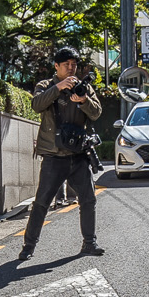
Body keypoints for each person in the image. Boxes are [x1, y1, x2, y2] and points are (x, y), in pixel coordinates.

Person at [21, 47, 104, 260]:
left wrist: (84, 101)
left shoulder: (84, 87)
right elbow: (36, 105)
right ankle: (29, 246)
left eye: (74, 65)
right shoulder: (45, 86)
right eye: (66, 64)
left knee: (88, 199)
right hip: (53, 155)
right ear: (56, 66)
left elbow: (96, 113)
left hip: (78, 155)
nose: (71, 68)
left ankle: (89, 243)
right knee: (41, 203)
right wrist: (58, 88)